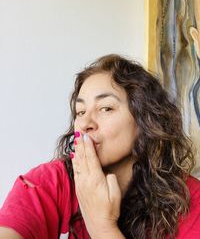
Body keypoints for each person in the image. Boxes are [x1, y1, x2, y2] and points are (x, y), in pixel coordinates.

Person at [0, 54, 199, 239]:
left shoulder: (190, 198)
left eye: (106, 108)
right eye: (80, 111)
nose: (86, 123)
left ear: (145, 120)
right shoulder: (48, 182)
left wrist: (101, 225)